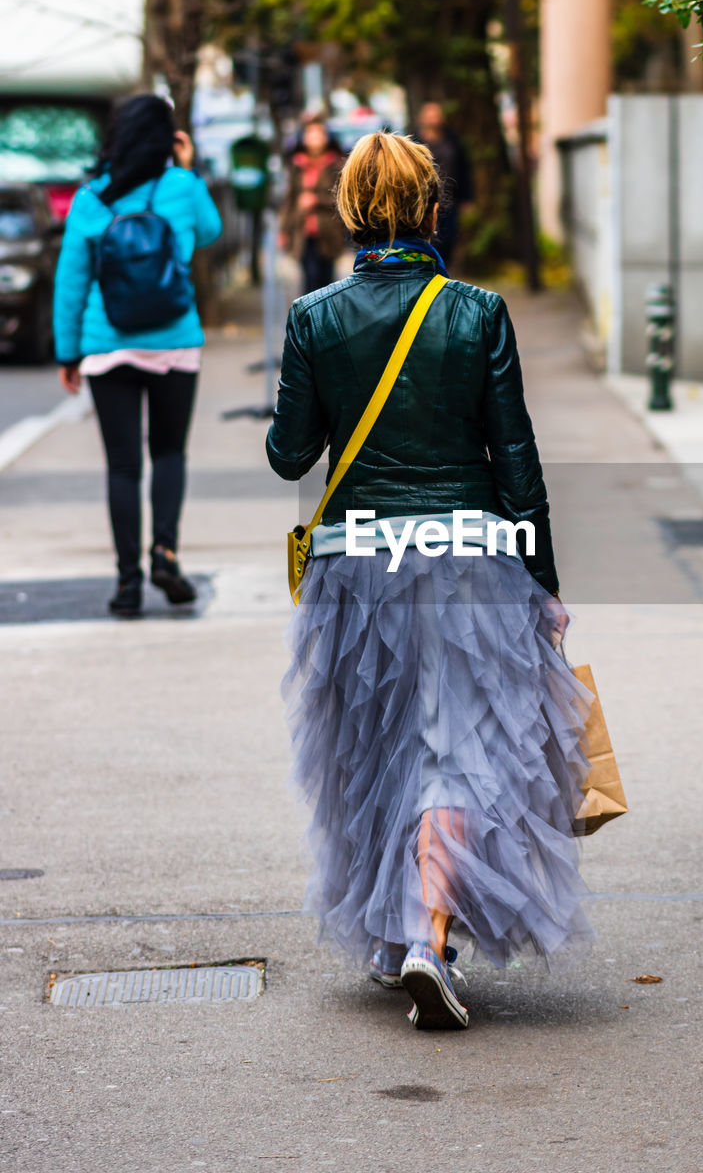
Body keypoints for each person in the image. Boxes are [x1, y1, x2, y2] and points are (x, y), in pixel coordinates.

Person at [266, 132, 592, 1031]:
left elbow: (288, 452)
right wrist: (544, 584)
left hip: (356, 564)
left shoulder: (314, 317)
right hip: (466, 561)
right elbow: (515, 460)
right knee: (457, 749)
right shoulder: (477, 311)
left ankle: (395, 933)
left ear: (350, 213)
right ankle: (425, 937)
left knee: (372, 749)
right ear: (431, 210)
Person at [53, 93, 223, 619]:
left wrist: (68, 352)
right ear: (166, 137)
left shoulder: (92, 198)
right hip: (174, 342)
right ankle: (165, 554)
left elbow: (71, 282)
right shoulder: (182, 187)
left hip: (108, 345)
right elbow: (210, 234)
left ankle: (127, 584)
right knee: (169, 454)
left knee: (122, 468)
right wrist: (188, 168)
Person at [279, 116, 346, 296]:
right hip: (303, 229)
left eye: (318, 134)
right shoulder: (297, 165)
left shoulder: (335, 164)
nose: (314, 139)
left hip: (328, 230)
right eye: (310, 134)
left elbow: (340, 198)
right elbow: (289, 200)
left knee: (326, 282)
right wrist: (284, 230)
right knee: (308, 280)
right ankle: (309, 321)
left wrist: (315, 200)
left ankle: (325, 322)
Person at [413, 101, 474, 267]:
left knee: (449, 238)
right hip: (424, 201)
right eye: (430, 115)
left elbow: (464, 169)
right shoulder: (414, 142)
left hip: (450, 199)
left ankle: (442, 269)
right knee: (426, 238)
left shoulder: (453, 140)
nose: (434, 119)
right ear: (422, 118)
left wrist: (467, 198)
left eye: (436, 115)